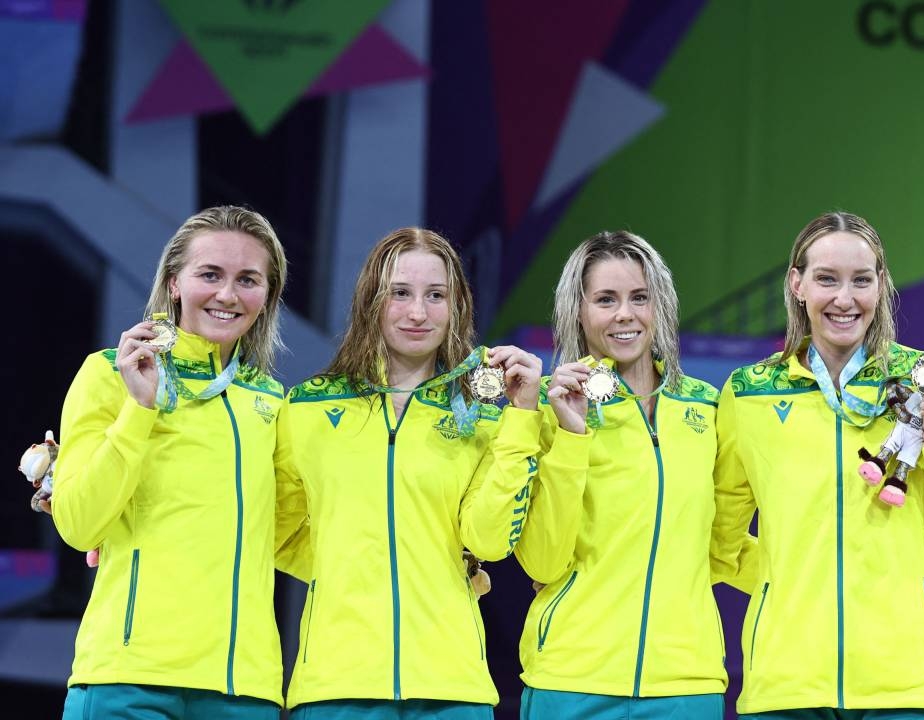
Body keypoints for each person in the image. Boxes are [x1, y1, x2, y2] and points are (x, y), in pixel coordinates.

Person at [711, 211, 924, 719]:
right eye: (827, 279)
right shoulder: (749, 391)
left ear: (881, 285)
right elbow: (718, 540)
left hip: (905, 688)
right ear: (796, 284)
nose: (845, 299)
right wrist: (794, 583)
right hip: (787, 687)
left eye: (861, 280)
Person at [274, 227, 543, 719]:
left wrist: (523, 415)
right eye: (400, 293)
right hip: (337, 687)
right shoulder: (310, 406)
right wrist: (357, 566)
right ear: (370, 301)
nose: (418, 313)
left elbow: (489, 541)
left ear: (456, 305)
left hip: (452, 690)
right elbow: (276, 530)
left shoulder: (484, 414)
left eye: (435, 295)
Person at [51, 206, 289, 719]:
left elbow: (295, 536)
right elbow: (77, 522)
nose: (227, 295)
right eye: (210, 274)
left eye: (248, 279)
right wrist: (138, 409)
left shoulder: (271, 401)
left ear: (267, 295)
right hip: (129, 682)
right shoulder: (109, 375)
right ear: (174, 283)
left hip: (243, 690)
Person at [514, 230, 751, 720]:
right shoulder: (545, 412)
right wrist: (571, 436)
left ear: (659, 304)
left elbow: (721, 545)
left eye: (639, 298)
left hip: (686, 685)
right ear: (577, 311)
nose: (625, 314)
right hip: (570, 681)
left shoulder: (707, 408)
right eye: (606, 299)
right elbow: (541, 561)